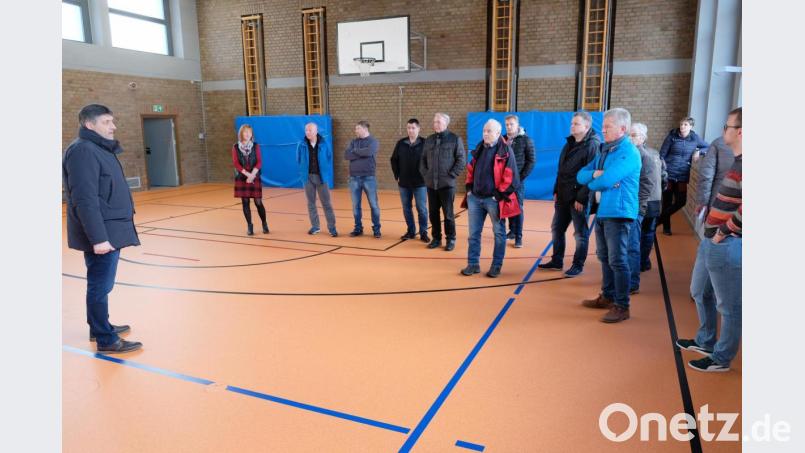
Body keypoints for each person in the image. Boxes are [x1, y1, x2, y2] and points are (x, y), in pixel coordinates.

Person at [63, 104, 142, 353]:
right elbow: (84, 199)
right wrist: (98, 238)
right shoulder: (83, 151)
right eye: (107, 122)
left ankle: (99, 326)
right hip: (102, 234)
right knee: (99, 284)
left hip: (110, 230)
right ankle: (105, 338)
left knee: (102, 283)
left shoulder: (98, 148)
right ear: (89, 125)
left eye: (112, 121)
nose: (113, 126)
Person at [677, 107, 742, 372]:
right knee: (699, 291)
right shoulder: (737, 160)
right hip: (711, 239)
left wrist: (724, 231)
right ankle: (705, 341)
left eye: (727, 126)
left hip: (725, 242)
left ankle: (721, 358)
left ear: (740, 131)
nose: (722, 130)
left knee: (729, 306)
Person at [577, 108, 642, 323]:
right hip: (604, 211)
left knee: (618, 260)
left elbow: (604, 182)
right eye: (603, 126)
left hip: (620, 212)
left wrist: (596, 181)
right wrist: (596, 175)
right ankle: (607, 296)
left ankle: (622, 306)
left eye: (608, 126)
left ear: (622, 129)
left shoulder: (629, 152)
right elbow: (581, 175)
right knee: (604, 257)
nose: (603, 130)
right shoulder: (605, 151)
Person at [538, 111, 599, 277]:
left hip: (578, 198)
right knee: (557, 229)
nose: (572, 126)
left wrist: (581, 197)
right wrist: (556, 190)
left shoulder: (592, 145)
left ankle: (578, 265)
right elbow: (561, 170)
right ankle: (557, 261)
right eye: (572, 123)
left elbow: (592, 175)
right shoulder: (569, 143)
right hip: (563, 196)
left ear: (586, 126)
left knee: (580, 234)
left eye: (576, 124)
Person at [460, 119, 521, 278]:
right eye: (484, 131)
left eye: (489, 131)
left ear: (498, 133)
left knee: (499, 233)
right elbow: (471, 169)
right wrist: (469, 189)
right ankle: (473, 264)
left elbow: (512, 178)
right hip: (475, 198)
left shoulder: (506, 150)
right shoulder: (480, 147)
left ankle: (496, 266)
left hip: (494, 200)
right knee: (473, 234)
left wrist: (497, 196)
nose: (485, 134)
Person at [420, 112, 466, 251]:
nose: (436, 124)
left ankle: (450, 239)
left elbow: (461, 160)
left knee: (448, 214)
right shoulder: (429, 139)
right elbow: (422, 160)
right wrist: (426, 175)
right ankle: (436, 238)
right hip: (431, 185)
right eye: (434, 122)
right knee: (433, 213)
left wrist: (451, 175)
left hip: (447, 185)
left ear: (446, 123)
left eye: (438, 122)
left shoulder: (454, 139)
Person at [627, 123, 664, 293]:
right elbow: (664, 175)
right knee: (648, 232)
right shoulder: (656, 153)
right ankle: (644, 261)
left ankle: (639, 263)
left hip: (645, 200)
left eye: (633, 135)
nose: (630, 138)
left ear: (642, 138)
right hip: (655, 198)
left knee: (642, 233)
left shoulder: (639, 155)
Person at [657, 116, 709, 235]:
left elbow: (709, 146)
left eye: (685, 125)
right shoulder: (672, 137)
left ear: (691, 126)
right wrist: (664, 169)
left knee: (681, 201)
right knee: (667, 202)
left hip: (682, 174)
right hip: (669, 173)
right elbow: (662, 154)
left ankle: (657, 221)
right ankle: (666, 228)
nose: (682, 127)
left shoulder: (695, 138)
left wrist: (699, 151)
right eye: (681, 124)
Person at [391, 118, 429, 242]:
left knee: (421, 209)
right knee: (406, 208)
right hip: (404, 183)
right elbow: (394, 160)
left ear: (418, 128)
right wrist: (397, 175)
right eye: (408, 128)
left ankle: (423, 232)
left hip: (420, 183)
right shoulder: (401, 143)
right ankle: (411, 231)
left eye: (413, 128)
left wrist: (427, 176)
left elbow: (430, 161)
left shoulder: (425, 143)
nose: (410, 130)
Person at [297, 122, 337, 237]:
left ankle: (332, 227)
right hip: (307, 177)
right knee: (311, 203)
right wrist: (303, 172)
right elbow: (298, 159)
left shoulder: (324, 143)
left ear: (316, 131)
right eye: (306, 130)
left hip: (321, 177)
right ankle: (315, 226)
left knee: (326, 203)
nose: (307, 132)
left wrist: (323, 170)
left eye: (310, 130)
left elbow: (329, 157)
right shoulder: (301, 144)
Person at [501, 115, 536, 248]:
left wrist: (519, 178)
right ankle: (512, 231)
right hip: (504, 182)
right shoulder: (502, 140)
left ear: (517, 125)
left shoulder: (526, 140)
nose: (509, 127)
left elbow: (531, 161)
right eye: (507, 124)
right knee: (507, 207)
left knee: (518, 209)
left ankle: (518, 237)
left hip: (518, 182)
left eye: (511, 124)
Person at [344, 120, 381, 238]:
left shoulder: (373, 141)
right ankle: (358, 228)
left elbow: (369, 152)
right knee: (356, 206)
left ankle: (376, 229)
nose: (356, 131)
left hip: (369, 178)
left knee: (374, 205)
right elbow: (346, 155)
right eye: (355, 129)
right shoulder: (353, 142)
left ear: (365, 129)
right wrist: (361, 153)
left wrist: (355, 151)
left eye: (357, 128)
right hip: (354, 178)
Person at [232, 124, 268, 235]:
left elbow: (259, 162)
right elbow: (236, 164)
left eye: (249, 132)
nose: (247, 134)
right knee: (245, 202)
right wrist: (247, 175)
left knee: (258, 202)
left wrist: (252, 175)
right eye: (245, 132)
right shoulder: (235, 147)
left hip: (254, 176)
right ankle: (250, 226)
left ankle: (264, 223)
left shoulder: (256, 146)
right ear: (241, 133)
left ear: (252, 134)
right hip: (242, 177)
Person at [694, 135, 735, 223]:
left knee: (713, 233)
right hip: (738, 211)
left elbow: (706, 176)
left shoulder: (718, 143)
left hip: (719, 203)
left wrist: (702, 202)